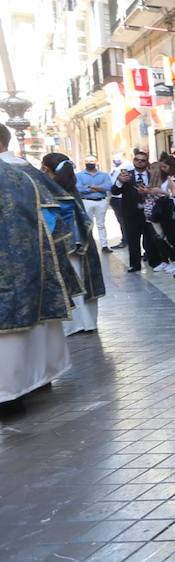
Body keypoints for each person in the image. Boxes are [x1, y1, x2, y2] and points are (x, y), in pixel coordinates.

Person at [0, 126, 77, 404]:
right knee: (38, 326)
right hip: (37, 262)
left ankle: (10, 394)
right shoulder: (29, 173)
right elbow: (61, 209)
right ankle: (39, 379)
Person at [41, 153, 105, 336]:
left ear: (46, 169)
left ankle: (75, 324)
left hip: (64, 245)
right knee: (83, 280)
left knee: (71, 281)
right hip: (82, 243)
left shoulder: (52, 191)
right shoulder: (71, 189)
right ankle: (88, 322)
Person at [111, 150, 155, 272]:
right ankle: (135, 264)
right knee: (133, 239)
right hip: (131, 213)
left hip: (149, 212)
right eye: (137, 160)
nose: (139, 162)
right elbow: (114, 191)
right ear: (133, 161)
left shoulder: (153, 175)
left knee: (151, 238)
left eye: (142, 160)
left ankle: (153, 261)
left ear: (147, 162)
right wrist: (120, 182)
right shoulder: (126, 175)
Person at [75, 156, 114, 252]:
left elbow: (108, 187)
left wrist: (89, 187)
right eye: (87, 161)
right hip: (86, 201)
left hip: (101, 201)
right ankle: (88, 245)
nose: (89, 163)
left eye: (91, 161)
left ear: (97, 162)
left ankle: (104, 245)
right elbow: (79, 189)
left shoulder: (104, 175)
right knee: (87, 224)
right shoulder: (79, 175)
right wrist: (97, 188)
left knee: (101, 224)